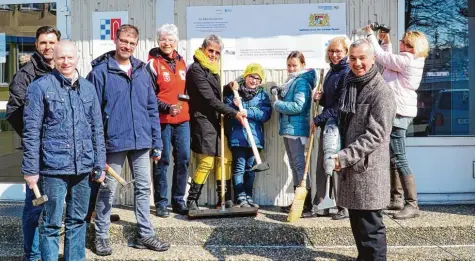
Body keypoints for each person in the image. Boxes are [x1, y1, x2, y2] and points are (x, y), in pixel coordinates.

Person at [86, 24, 169, 256]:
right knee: (108, 189)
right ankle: (101, 235)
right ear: (116, 40)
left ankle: (145, 233)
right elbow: (92, 114)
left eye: (132, 43)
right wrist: (97, 149)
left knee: (144, 188)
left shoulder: (143, 71)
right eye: (124, 41)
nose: (127, 46)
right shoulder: (100, 72)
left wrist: (157, 142)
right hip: (112, 142)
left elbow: (152, 108)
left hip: (142, 141)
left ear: (136, 45)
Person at [21, 40, 106, 261]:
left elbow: (97, 129)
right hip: (53, 169)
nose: (66, 61)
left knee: (77, 221)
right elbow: (31, 133)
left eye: (70, 57)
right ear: (54, 59)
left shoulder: (88, 88)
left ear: (77, 58)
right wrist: (30, 170)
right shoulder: (39, 87)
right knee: (50, 223)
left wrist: (99, 163)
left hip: (83, 168)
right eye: (61, 57)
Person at [331, 39, 396, 260]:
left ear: (373, 58)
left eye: (362, 58)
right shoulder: (351, 84)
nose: (357, 63)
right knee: (358, 226)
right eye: (353, 58)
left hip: (368, 171)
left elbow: (377, 134)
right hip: (353, 169)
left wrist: (344, 156)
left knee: (371, 229)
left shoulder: (382, 92)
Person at [5, 26, 60, 261]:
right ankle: (32, 254)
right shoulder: (27, 74)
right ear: (36, 45)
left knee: (53, 204)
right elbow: (14, 111)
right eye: (43, 43)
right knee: (35, 205)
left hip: (58, 150)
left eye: (52, 42)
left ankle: (45, 251)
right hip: (37, 151)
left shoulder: (63, 69)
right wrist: (35, 137)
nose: (48, 47)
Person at [365, 25, 429, 219]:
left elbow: (381, 58)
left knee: (399, 157)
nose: (401, 44)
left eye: (405, 42)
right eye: (401, 41)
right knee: (393, 156)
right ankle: (396, 199)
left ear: (412, 46)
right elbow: (388, 62)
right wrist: (386, 42)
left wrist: (370, 35)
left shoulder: (408, 60)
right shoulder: (408, 59)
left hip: (398, 113)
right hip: (398, 111)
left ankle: (412, 204)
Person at [185, 34, 247, 210]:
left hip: (217, 120)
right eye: (210, 50)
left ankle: (224, 199)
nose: (213, 55)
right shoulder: (196, 70)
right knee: (207, 162)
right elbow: (209, 99)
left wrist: (228, 88)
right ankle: (192, 201)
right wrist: (234, 113)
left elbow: (217, 95)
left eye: (216, 52)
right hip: (203, 120)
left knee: (225, 158)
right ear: (203, 49)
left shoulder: (213, 68)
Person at [147, 24, 190, 217]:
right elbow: (148, 95)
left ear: (176, 41)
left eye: (171, 39)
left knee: (183, 160)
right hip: (162, 121)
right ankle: (161, 203)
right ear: (158, 41)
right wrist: (166, 107)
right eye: (163, 39)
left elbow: (185, 91)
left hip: (183, 120)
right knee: (161, 161)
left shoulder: (182, 62)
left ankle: (178, 200)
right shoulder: (152, 63)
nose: (167, 43)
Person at [271, 51, 317, 216]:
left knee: (300, 167)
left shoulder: (302, 82)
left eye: (294, 65)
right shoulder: (291, 81)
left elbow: (299, 106)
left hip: (297, 130)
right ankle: (298, 201)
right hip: (290, 129)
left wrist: (278, 104)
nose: (291, 68)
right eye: (289, 65)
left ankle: (307, 205)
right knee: (294, 166)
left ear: (302, 65)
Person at [311, 37, 350, 220]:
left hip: (338, 125)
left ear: (346, 52)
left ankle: (343, 206)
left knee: (336, 164)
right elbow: (330, 102)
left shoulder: (347, 72)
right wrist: (320, 97)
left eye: (338, 51)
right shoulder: (330, 72)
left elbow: (340, 105)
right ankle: (322, 204)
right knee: (322, 163)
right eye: (331, 51)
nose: (334, 55)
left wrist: (318, 119)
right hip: (328, 123)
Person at [223, 63, 272, 208]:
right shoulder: (235, 93)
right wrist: (234, 105)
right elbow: (226, 111)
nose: (254, 80)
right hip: (238, 137)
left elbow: (266, 114)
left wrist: (247, 111)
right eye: (252, 76)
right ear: (246, 76)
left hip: (254, 138)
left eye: (258, 78)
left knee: (251, 169)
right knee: (239, 167)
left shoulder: (263, 95)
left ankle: (248, 196)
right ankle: (240, 197)